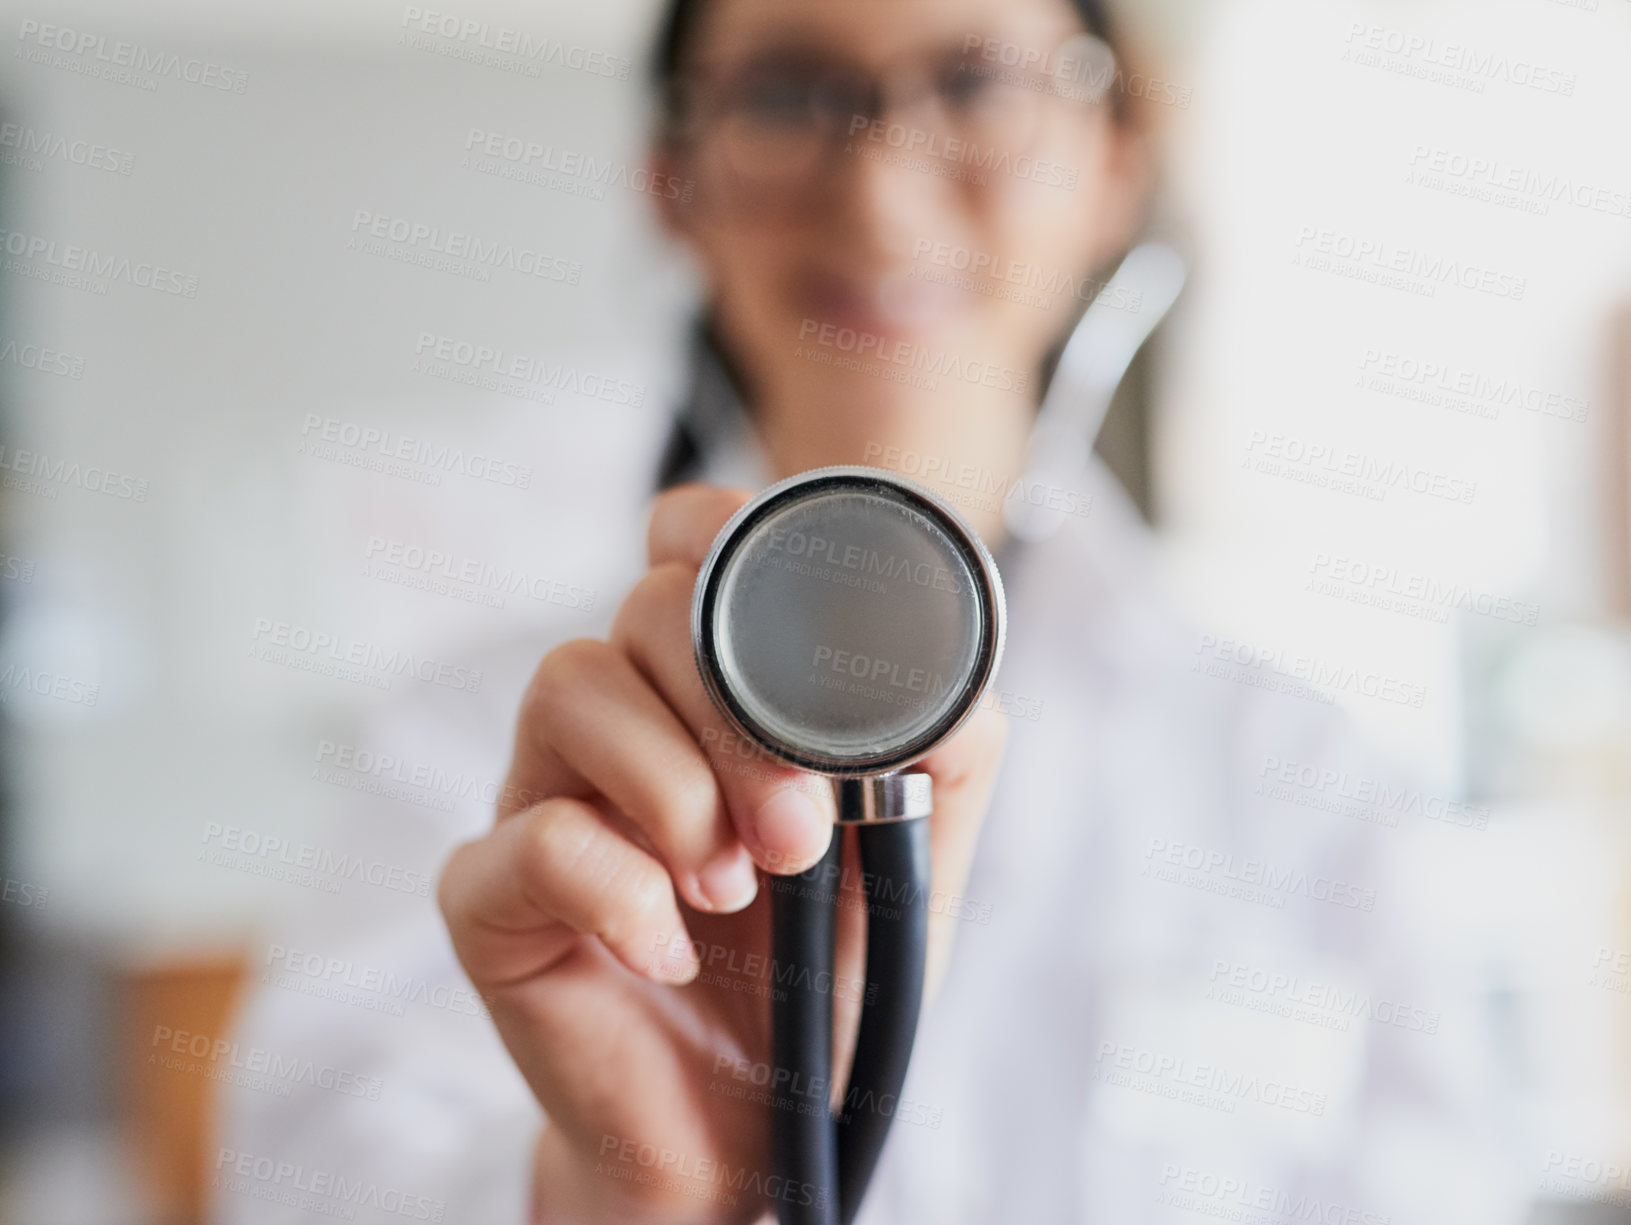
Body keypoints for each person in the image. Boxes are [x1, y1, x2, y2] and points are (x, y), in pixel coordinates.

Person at [217, 0, 1529, 1221]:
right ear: (675, 184)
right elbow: (293, 1181)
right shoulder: (474, 745)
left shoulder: (1305, 773)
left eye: (978, 84)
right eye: (788, 97)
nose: (881, 191)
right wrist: (615, 1191)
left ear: (1116, 160)